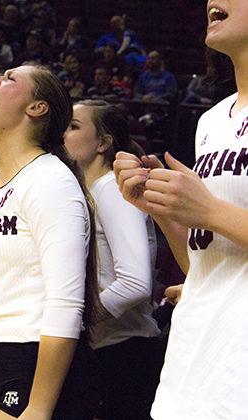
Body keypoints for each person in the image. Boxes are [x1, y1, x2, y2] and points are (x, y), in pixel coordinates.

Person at [114, 2, 248, 418]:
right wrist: (161, 207)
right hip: (194, 354)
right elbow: (201, 261)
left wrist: (207, 209)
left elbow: (212, 217)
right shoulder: (210, 120)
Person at [0, 64, 97, 419]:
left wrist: (39, 407)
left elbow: (65, 303)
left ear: (37, 108)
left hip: (37, 358)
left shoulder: (51, 181)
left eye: (10, 79)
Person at [63, 100, 163, 419]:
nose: (62, 134)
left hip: (125, 354)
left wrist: (75, 321)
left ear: (103, 143)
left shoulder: (111, 189)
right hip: (104, 351)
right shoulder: (86, 191)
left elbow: (135, 284)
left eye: (74, 126)